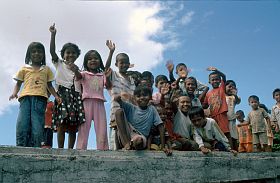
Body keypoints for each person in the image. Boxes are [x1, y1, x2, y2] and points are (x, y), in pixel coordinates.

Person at [9, 42, 60, 147]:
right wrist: (14, 93)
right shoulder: (24, 68)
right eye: (34, 51)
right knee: (22, 123)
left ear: (43, 54)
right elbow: (18, 83)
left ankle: (36, 146)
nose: (37, 53)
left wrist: (56, 96)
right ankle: (21, 146)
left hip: (40, 99)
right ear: (29, 54)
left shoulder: (46, 69)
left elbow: (49, 85)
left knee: (37, 125)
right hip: (25, 98)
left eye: (40, 51)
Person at [49, 24, 85, 149]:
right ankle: (60, 149)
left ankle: (70, 150)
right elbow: (52, 51)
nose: (70, 55)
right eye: (68, 53)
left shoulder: (78, 69)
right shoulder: (59, 63)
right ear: (63, 54)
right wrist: (53, 35)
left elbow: (80, 80)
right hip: (62, 95)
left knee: (73, 126)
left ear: (77, 55)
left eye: (73, 53)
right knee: (61, 123)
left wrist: (76, 71)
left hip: (75, 96)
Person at [74, 41, 115, 150]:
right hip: (86, 103)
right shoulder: (83, 74)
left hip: (99, 103)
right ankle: (80, 149)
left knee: (101, 128)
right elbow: (77, 76)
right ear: (86, 62)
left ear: (100, 61)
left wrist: (111, 52)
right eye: (90, 59)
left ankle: (103, 149)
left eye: (96, 58)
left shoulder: (102, 75)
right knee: (83, 128)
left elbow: (109, 85)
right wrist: (74, 69)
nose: (93, 60)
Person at [114, 85, 170, 155]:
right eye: (138, 96)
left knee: (138, 141)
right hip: (127, 134)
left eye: (145, 95)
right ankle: (127, 144)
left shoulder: (152, 109)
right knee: (119, 112)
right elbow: (118, 100)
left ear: (150, 97)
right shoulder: (131, 108)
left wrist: (163, 146)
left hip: (140, 136)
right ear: (134, 98)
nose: (142, 98)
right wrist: (118, 98)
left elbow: (160, 126)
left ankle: (132, 145)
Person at [107, 53, 136, 150]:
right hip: (116, 110)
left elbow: (133, 96)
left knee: (127, 134)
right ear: (116, 64)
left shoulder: (131, 80)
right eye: (121, 63)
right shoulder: (114, 75)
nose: (124, 65)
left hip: (129, 114)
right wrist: (111, 52)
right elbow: (105, 68)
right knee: (116, 135)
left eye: (126, 63)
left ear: (129, 64)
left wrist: (130, 97)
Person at [203, 66, 232, 147]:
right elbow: (204, 105)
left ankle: (232, 149)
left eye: (217, 79)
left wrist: (217, 70)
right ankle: (220, 148)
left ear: (220, 81)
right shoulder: (208, 93)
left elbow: (224, 76)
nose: (215, 81)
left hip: (222, 114)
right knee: (215, 133)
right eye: (213, 79)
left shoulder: (221, 88)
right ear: (209, 81)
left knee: (226, 132)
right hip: (213, 116)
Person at [225, 80, 241, 151]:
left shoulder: (234, 97)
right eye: (229, 86)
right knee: (227, 136)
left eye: (233, 87)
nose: (231, 88)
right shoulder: (222, 96)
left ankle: (235, 150)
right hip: (224, 119)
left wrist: (235, 94)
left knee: (233, 137)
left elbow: (238, 101)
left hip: (231, 120)